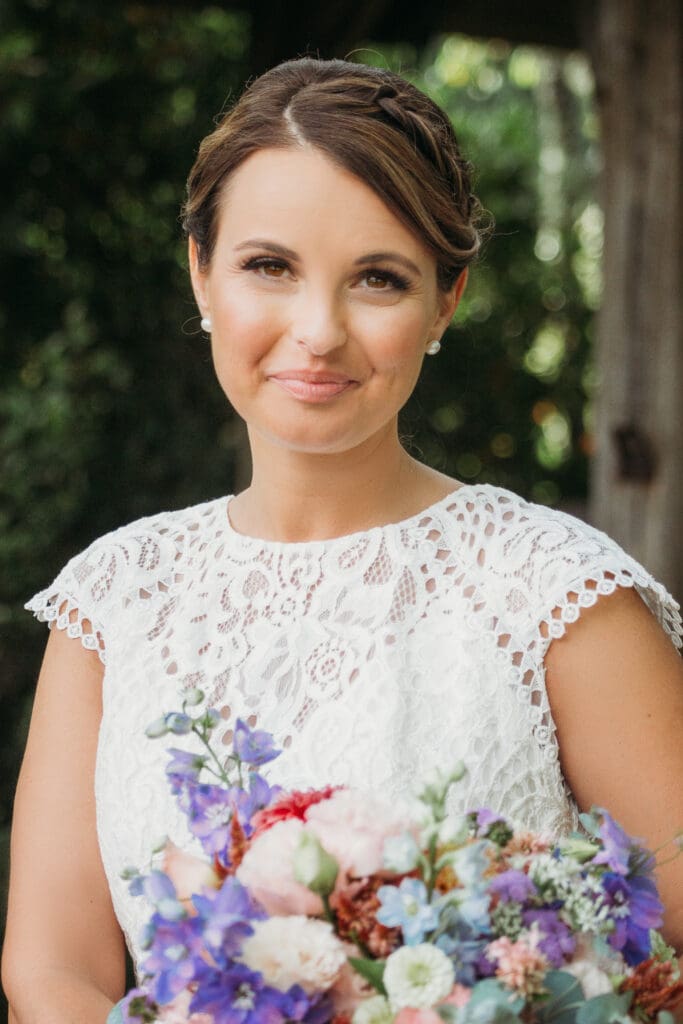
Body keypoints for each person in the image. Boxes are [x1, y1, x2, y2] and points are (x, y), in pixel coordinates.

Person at [3, 56, 683, 1024]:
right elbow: (55, 966)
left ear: (444, 302)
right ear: (200, 272)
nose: (316, 331)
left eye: (377, 278)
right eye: (267, 266)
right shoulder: (115, 596)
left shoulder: (553, 595)